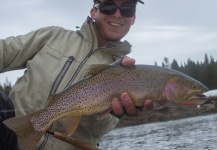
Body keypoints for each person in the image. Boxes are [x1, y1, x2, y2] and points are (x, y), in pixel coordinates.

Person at [0, 0, 153, 149]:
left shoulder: (128, 74)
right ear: (94, 11)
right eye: (109, 6)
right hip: (6, 133)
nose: (118, 14)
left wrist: (116, 112)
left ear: (133, 18)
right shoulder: (53, 36)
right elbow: (4, 51)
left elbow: (98, 129)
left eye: (127, 9)